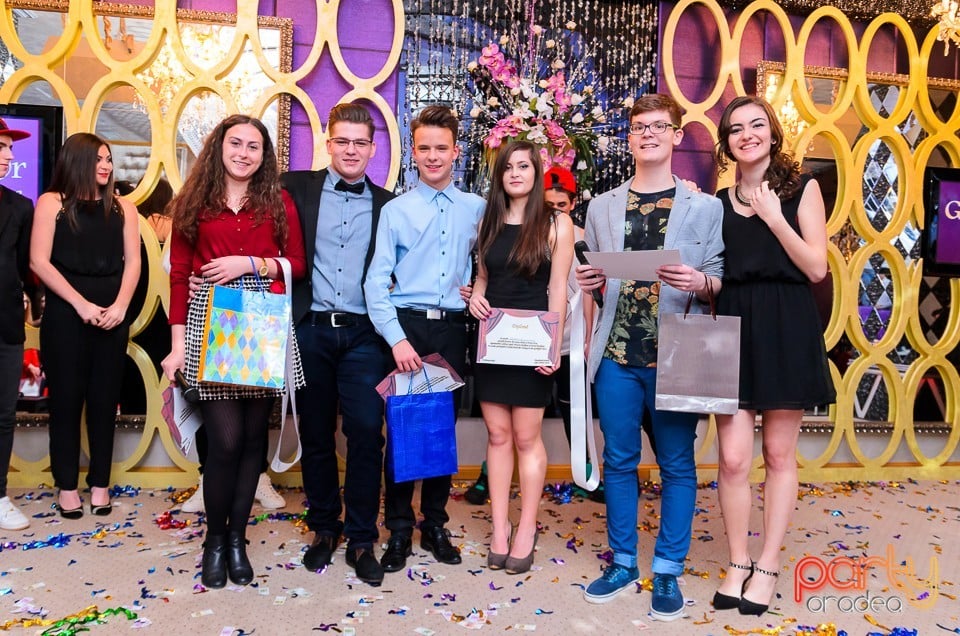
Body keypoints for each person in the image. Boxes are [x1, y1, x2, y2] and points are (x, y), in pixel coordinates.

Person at [574, 93, 724, 620]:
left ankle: (667, 568)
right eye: (640, 127)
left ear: (677, 136)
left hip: (677, 353)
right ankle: (622, 563)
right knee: (618, 461)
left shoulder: (705, 207)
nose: (649, 134)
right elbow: (597, 281)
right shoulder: (601, 206)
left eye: (659, 126)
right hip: (616, 353)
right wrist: (588, 281)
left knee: (677, 464)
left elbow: (719, 279)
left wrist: (700, 281)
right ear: (630, 137)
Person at [161, 114, 306, 589]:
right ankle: (214, 541)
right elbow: (179, 275)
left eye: (253, 146)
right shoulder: (194, 202)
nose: (244, 153)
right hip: (209, 327)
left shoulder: (279, 201)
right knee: (224, 440)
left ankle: (238, 541)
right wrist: (176, 347)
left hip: (262, 326)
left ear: (264, 155)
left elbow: (298, 265)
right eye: (236, 143)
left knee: (250, 442)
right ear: (219, 148)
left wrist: (251, 263)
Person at [710, 95, 835, 616]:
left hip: (786, 324)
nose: (747, 135)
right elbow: (715, 272)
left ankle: (768, 563)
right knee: (733, 459)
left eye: (756, 125)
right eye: (736, 128)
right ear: (727, 142)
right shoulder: (718, 200)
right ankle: (737, 560)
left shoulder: (802, 188)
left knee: (779, 456)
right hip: (734, 324)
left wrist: (773, 216)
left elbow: (816, 268)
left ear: (772, 133)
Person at [364, 105, 485, 573]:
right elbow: (376, 283)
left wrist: (478, 287)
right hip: (407, 329)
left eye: (441, 148)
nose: (433, 156)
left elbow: (492, 262)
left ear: (456, 152)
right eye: (424, 148)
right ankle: (398, 528)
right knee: (402, 431)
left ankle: (434, 523)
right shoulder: (395, 211)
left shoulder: (476, 208)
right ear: (413, 153)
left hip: (452, 329)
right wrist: (396, 339)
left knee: (440, 432)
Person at [282, 103, 395, 585]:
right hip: (310, 327)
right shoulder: (294, 189)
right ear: (328, 143)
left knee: (367, 431)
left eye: (360, 142)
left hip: (365, 333)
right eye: (342, 141)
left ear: (373, 149)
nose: (351, 150)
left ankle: (363, 536)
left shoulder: (388, 204)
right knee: (315, 431)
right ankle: (325, 528)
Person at [468, 141, 574, 574]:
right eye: (508, 166)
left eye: (524, 166)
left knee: (527, 437)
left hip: (532, 343)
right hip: (493, 341)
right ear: (500, 175)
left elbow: (558, 288)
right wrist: (476, 296)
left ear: (536, 172)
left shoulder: (556, 222)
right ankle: (499, 528)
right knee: (497, 436)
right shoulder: (488, 221)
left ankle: (526, 528)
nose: (515, 173)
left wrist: (553, 344)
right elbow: (483, 277)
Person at [30, 132, 141, 520]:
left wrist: (120, 306)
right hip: (66, 315)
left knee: (104, 402)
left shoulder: (124, 208)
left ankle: (100, 484)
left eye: (109, 159)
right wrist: (80, 304)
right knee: (65, 402)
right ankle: (66, 486)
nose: (106, 166)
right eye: (98, 159)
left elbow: (133, 262)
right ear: (77, 161)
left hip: (112, 315)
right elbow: (39, 261)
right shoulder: (52, 203)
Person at [0, 118, 37, 531]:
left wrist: (32, 303)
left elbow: (26, 269)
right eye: (2, 146)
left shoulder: (21, 207)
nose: (9, 155)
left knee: (3, 415)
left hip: (6, 325)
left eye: (10, 147)